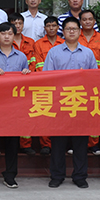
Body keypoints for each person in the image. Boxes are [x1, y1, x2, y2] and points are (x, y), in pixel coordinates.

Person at [45, 17, 98, 189]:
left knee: (80, 143)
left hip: (81, 103)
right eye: (68, 29)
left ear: (79, 31)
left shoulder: (88, 53)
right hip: (60, 103)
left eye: (75, 29)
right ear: (63, 32)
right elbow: (47, 78)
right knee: (58, 143)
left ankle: (80, 176)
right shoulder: (54, 52)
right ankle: (57, 175)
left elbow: (94, 79)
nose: (72, 32)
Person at [0, 22, 31, 189]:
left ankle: (10, 175)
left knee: (12, 143)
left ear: (14, 35)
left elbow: (28, 83)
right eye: (3, 33)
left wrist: (26, 74)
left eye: (9, 33)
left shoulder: (21, 57)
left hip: (14, 106)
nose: (6, 36)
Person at [78, 9, 100, 154]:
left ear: (94, 21)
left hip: (96, 81)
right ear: (80, 22)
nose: (87, 22)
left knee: (94, 112)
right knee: (78, 112)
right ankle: (78, 143)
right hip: (78, 82)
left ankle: (94, 144)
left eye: (90, 19)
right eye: (84, 19)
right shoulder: (75, 37)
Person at [32, 16, 63, 155]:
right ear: (45, 28)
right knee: (44, 114)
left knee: (61, 115)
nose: (51, 28)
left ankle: (58, 143)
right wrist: (46, 80)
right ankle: (45, 144)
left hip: (62, 85)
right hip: (44, 84)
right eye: (48, 26)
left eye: (54, 26)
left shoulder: (64, 43)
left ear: (58, 28)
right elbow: (38, 64)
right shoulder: (38, 44)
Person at [9, 12, 37, 155]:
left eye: (20, 23)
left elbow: (34, 61)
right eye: (14, 23)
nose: (17, 26)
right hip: (9, 85)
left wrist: (29, 74)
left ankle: (26, 144)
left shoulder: (31, 42)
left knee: (27, 114)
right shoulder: (5, 40)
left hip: (27, 83)